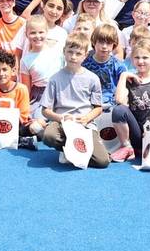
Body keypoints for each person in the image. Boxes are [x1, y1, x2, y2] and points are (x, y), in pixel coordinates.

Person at [35, 32, 110, 168]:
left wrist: (86, 118)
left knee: (102, 161)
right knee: (49, 136)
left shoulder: (92, 78)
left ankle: (72, 152)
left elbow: (98, 108)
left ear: (85, 55)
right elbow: (45, 110)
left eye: (78, 53)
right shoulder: (55, 79)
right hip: (61, 123)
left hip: (84, 124)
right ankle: (69, 149)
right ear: (64, 52)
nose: (73, 57)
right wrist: (62, 118)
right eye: (70, 52)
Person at [110, 43, 150, 164]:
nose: (141, 61)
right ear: (132, 59)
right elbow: (119, 101)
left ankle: (146, 148)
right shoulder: (129, 80)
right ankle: (127, 147)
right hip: (136, 132)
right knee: (119, 110)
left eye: (145, 57)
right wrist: (123, 76)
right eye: (137, 57)